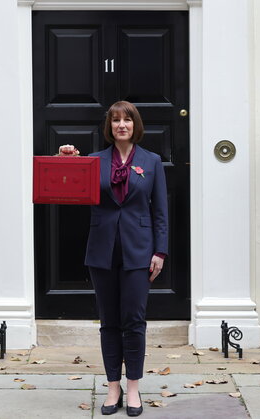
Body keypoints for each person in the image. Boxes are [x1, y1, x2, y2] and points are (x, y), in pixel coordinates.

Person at [84, 100, 168, 416]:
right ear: (110, 127)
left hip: (139, 251)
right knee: (109, 322)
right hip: (102, 251)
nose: (122, 125)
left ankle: (133, 388)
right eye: (116, 120)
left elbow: (160, 211)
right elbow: (67, 185)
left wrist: (160, 251)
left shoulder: (152, 161)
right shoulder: (94, 160)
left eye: (127, 120)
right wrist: (66, 159)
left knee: (134, 321)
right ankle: (112, 388)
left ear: (135, 125)